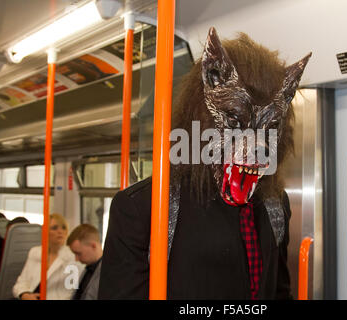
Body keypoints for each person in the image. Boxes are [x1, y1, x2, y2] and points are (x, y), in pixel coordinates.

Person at [98, 28, 311, 299]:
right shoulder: (144, 209)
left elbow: (279, 291)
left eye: (268, 127)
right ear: (199, 122)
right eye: (234, 122)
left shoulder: (275, 205)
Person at [13, 213, 84, 300]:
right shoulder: (35, 252)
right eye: (54, 228)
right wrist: (24, 295)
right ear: (45, 231)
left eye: (63, 227)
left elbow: (71, 291)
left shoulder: (73, 256)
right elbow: (21, 283)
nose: (60, 231)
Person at [67, 224, 102, 300]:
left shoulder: (109, 273)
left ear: (93, 246)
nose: (76, 259)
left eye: (78, 253)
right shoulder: (87, 270)